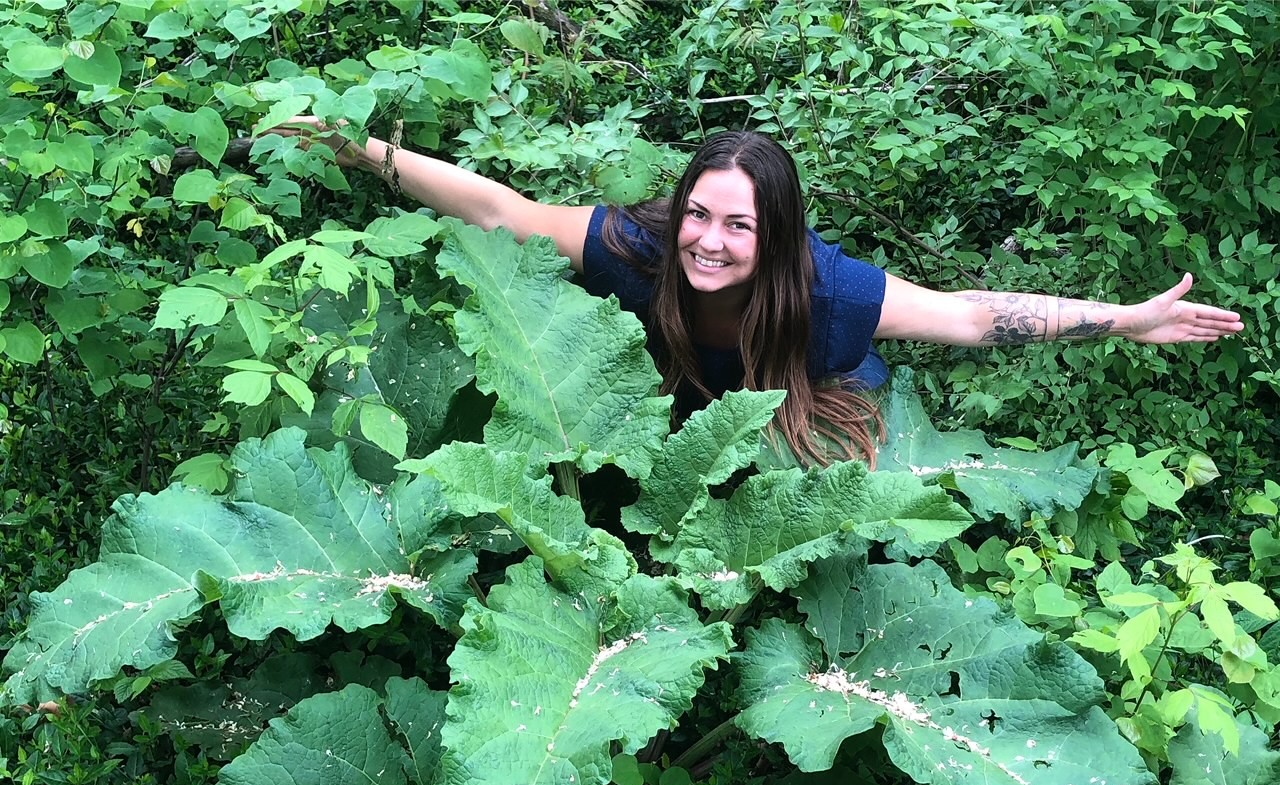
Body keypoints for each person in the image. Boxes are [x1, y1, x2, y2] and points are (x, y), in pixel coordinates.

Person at [282, 123, 1244, 464]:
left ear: (775, 237)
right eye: (701, 214)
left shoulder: (826, 293)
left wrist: (1127, 320)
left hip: (802, 397)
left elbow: (969, 315)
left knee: (806, 479)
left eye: (738, 226)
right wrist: (354, 146)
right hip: (688, 395)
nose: (710, 240)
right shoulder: (640, 248)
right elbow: (501, 212)